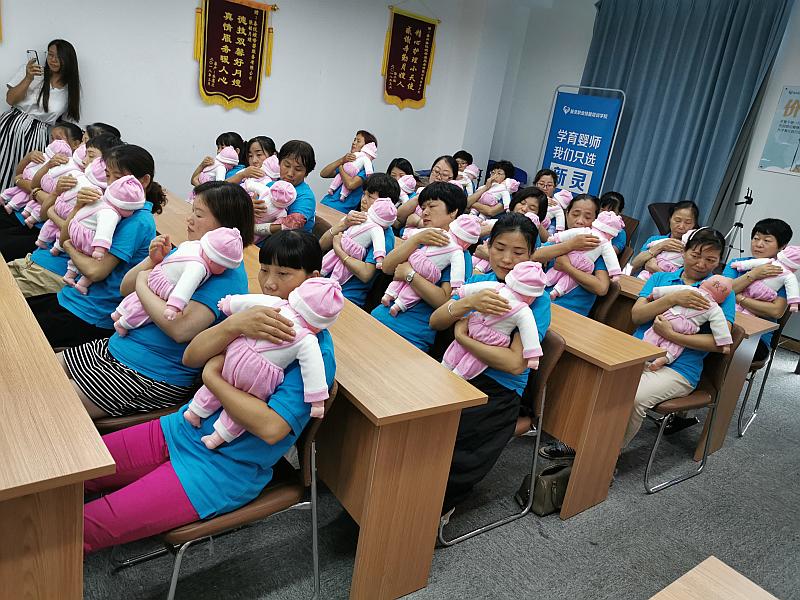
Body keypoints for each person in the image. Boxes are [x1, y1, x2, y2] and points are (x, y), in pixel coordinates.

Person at [81, 230, 335, 553]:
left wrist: (212, 378)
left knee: (85, 525)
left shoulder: (314, 352)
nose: (270, 283)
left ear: (313, 278)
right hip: (181, 427)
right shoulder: (257, 312)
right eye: (264, 270)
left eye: (283, 274)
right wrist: (234, 325)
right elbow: (192, 356)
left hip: (222, 468)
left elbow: (272, 428)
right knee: (78, 468)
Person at [58, 181, 255, 419]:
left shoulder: (228, 276)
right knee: (41, 369)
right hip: (116, 348)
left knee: (51, 402)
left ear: (227, 225)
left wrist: (143, 283)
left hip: (149, 374)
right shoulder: (193, 250)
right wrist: (151, 261)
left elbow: (180, 329)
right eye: (192, 210)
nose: (189, 219)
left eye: (199, 214)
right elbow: (125, 288)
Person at [430, 212, 550, 514]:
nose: (506, 259)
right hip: (457, 371)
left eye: (518, 252)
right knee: (413, 421)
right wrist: (469, 303)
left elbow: (515, 364)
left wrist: (463, 337)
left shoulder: (537, 300)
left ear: (531, 255)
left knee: (451, 448)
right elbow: (436, 321)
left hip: (498, 389)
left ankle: (433, 510)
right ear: (488, 246)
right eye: (499, 248)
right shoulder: (479, 282)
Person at [25, 144, 165, 348]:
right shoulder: (107, 202)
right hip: (72, 297)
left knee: (17, 335)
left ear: (143, 181)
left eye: (118, 177)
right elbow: (64, 238)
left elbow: (95, 271)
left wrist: (69, 245)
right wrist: (78, 207)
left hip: (91, 312)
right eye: (107, 175)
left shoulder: (139, 221)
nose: (110, 183)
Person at [621, 228, 735, 447]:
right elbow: (637, 316)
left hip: (679, 368)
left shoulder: (721, 294)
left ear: (719, 262)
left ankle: (605, 455)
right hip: (638, 352)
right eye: (695, 255)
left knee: (634, 397)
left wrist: (671, 335)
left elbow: (719, 343)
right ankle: (581, 441)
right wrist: (674, 298)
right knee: (602, 380)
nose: (701, 264)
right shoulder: (661, 278)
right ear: (684, 251)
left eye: (710, 260)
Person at [7, 133, 122, 298]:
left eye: (91, 156)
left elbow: (68, 236)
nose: (85, 160)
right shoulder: (76, 176)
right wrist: (56, 191)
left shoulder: (99, 196)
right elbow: (44, 211)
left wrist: (54, 210)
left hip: (52, 269)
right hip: (36, 256)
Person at [371, 181, 471, 352]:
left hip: (410, 335)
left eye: (432, 206)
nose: (425, 212)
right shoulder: (421, 238)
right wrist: (416, 240)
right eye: (423, 207)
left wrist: (409, 274)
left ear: (453, 212)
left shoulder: (459, 254)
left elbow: (445, 302)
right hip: (379, 315)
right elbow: (387, 267)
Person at [1, 40, 81, 189]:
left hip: (37, 135)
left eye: (59, 57)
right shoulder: (32, 72)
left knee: (25, 173)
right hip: (11, 125)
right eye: (50, 55)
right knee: (2, 162)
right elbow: (10, 99)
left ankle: (9, 201)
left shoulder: (69, 90)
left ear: (68, 60)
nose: (53, 60)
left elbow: (62, 120)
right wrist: (28, 78)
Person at [318, 173, 401, 307]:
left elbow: (366, 274)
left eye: (370, 197)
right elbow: (321, 245)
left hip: (346, 294)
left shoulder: (384, 235)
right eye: (364, 194)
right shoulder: (359, 218)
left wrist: (338, 249)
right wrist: (343, 225)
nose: (363, 200)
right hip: (325, 280)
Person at [723, 218, 793, 361]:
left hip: (756, 338)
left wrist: (739, 298)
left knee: (721, 347)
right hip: (724, 323)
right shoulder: (737, 264)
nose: (759, 244)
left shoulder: (783, 275)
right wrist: (754, 274)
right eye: (756, 238)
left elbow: (776, 311)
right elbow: (723, 292)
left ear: (782, 246)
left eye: (767, 241)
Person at [532, 194, 611, 317]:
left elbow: (601, 288)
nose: (580, 221)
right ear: (567, 214)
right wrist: (570, 245)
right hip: (540, 302)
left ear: (596, 221)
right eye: (575, 214)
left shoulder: (598, 247)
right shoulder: (561, 238)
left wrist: (567, 267)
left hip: (570, 313)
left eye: (587, 217)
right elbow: (534, 256)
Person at [256, 139, 317, 237]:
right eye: (287, 165)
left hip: (287, 243)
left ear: (306, 172)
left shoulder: (305, 197)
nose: (290, 173)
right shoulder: (271, 186)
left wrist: (255, 229)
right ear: (279, 163)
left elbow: (292, 224)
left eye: (298, 169)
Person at [630, 200, 699, 276]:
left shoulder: (693, 249)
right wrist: (660, 246)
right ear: (670, 219)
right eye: (677, 220)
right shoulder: (655, 240)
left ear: (694, 225)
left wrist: (657, 270)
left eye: (688, 222)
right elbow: (633, 266)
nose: (681, 226)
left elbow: (684, 279)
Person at [320, 130, 377, 213]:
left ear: (366, 147)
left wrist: (340, 167)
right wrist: (341, 160)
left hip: (341, 210)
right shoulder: (348, 162)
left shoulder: (367, 167)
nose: (354, 143)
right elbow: (323, 174)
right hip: (325, 202)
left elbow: (350, 185)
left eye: (358, 141)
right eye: (354, 140)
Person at [396, 155, 458, 228]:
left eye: (445, 174)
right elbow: (399, 218)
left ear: (453, 179)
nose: (438, 177)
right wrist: (422, 195)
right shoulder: (418, 193)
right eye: (436, 171)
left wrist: (418, 222)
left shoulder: (453, 201)